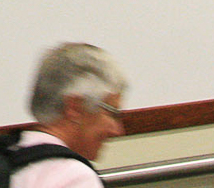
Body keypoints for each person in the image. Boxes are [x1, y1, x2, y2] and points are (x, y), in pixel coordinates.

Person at [11, 42, 127, 188]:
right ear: (75, 108)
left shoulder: (6, 157)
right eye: (112, 114)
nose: (117, 130)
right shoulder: (74, 177)